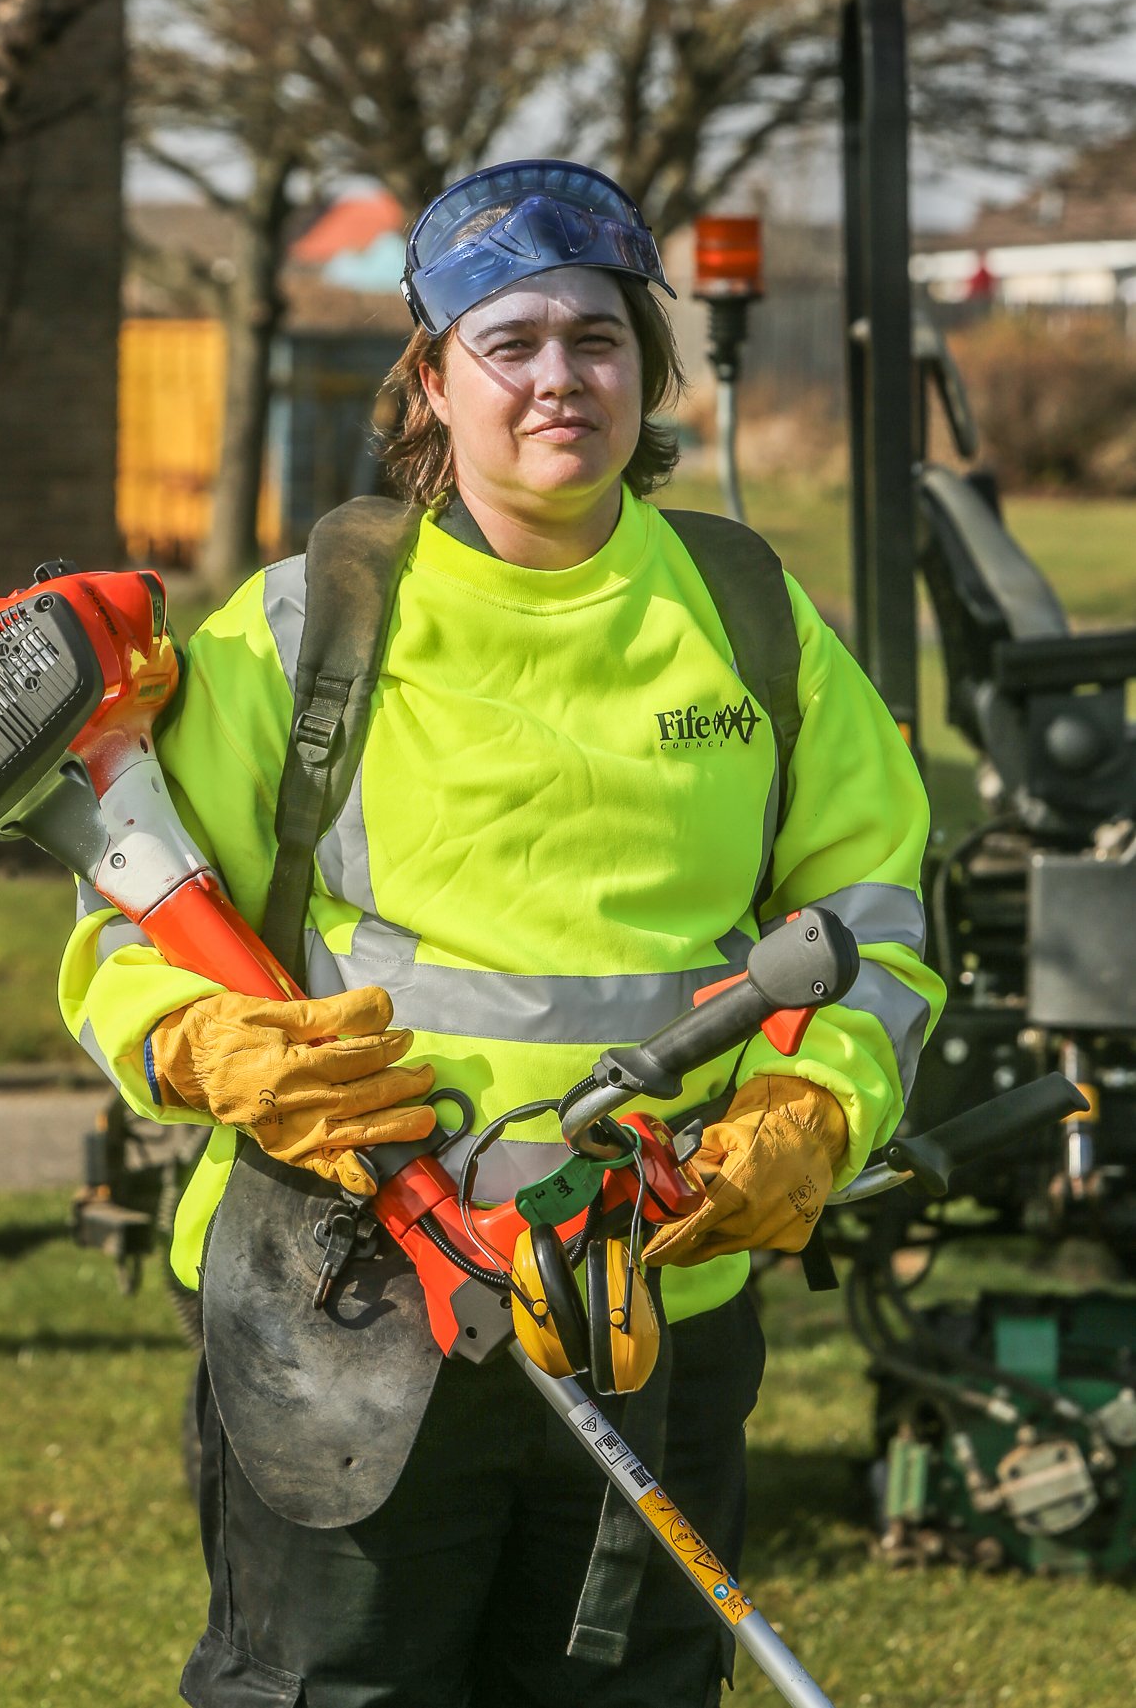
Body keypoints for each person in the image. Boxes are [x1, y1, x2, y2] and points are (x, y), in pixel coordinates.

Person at [59, 159, 944, 1707]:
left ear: (647, 369)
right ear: (434, 376)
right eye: (509, 339)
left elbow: (874, 911)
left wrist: (818, 1101)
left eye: (595, 339)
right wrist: (211, 1040)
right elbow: (124, 918)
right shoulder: (302, 624)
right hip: (343, 1298)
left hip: (649, 1298)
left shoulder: (749, 614)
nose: (557, 377)